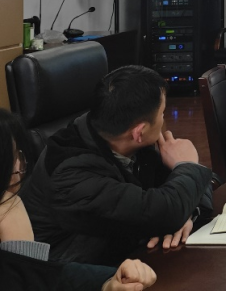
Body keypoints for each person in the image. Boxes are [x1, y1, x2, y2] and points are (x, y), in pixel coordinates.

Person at [20, 66, 213, 266]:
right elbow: (166, 208)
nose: (164, 119)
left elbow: (201, 185)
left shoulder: (123, 135)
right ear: (139, 132)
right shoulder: (70, 175)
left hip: (125, 255)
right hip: (69, 271)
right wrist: (187, 166)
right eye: (162, 113)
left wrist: (187, 213)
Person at [1, 109, 158, 291]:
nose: (19, 165)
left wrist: (108, 282)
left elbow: (55, 275)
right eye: (12, 157)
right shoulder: (68, 168)